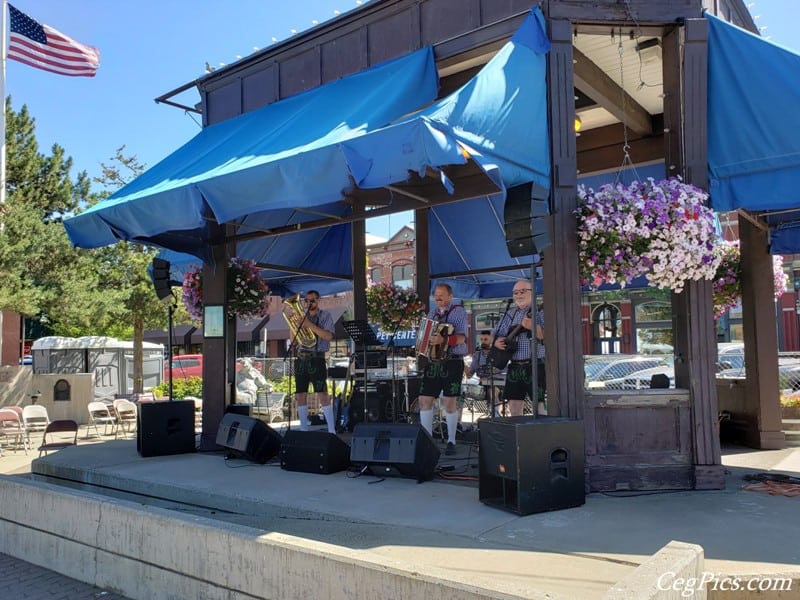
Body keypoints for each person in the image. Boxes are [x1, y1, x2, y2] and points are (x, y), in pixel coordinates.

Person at [417, 283, 467, 455]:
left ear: (450, 296)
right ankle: (427, 441)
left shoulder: (458, 311)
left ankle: (451, 440)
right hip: (433, 362)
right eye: (436, 295)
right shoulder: (432, 313)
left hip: (452, 362)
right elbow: (425, 336)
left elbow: (462, 338)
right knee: (424, 400)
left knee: (449, 402)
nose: (438, 298)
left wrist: (444, 341)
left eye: (441, 295)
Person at [492, 279, 544, 417]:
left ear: (533, 293)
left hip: (535, 364)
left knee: (538, 406)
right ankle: (518, 437)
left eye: (522, 291)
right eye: (516, 292)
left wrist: (532, 327)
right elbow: (494, 334)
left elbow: (548, 336)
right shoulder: (510, 313)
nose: (518, 295)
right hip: (514, 365)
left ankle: (541, 437)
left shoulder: (541, 311)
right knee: (514, 407)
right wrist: (496, 341)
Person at [293, 290, 336, 433]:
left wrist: (308, 325)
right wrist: (295, 324)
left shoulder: (325, 316)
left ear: (318, 301)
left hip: (317, 358)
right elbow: (294, 338)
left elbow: (328, 336)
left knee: (322, 394)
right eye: (307, 300)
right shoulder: (301, 316)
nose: (309, 303)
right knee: (300, 394)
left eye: (312, 300)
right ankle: (303, 429)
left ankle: (331, 430)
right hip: (301, 358)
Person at [464, 330, 502, 416]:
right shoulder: (477, 355)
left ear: (491, 340)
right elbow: (469, 375)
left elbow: (504, 371)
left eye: (486, 339)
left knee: (492, 390)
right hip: (482, 385)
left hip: (499, 384)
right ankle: (459, 421)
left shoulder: (499, 353)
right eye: (481, 339)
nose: (483, 342)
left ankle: (495, 416)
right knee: (461, 393)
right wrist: (463, 366)